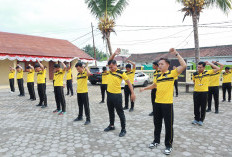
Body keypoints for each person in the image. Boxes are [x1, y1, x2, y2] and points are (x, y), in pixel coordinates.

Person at [140, 48, 186, 155]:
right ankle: (156, 141)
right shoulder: (157, 75)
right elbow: (154, 85)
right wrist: (144, 89)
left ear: (167, 65)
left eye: (162, 64)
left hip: (167, 104)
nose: (159, 65)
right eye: (159, 64)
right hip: (157, 103)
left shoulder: (172, 73)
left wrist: (176, 54)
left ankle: (168, 145)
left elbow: (183, 66)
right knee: (157, 123)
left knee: (168, 125)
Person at [104, 48, 136, 137]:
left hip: (117, 96)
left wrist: (132, 93)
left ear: (116, 65)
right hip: (109, 95)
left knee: (120, 112)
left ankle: (123, 129)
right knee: (110, 111)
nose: (110, 68)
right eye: (109, 67)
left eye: (112, 67)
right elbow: (110, 60)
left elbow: (129, 82)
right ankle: (111, 125)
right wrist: (114, 54)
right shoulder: (110, 71)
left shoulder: (122, 73)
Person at [192, 61, 220, 126]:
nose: (199, 68)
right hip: (196, 92)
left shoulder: (208, 72)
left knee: (203, 106)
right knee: (196, 106)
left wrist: (210, 63)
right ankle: (196, 119)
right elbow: (194, 81)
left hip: (204, 92)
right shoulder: (195, 74)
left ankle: (201, 120)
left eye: (200, 67)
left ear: (204, 67)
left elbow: (218, 69)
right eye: (198, 67)